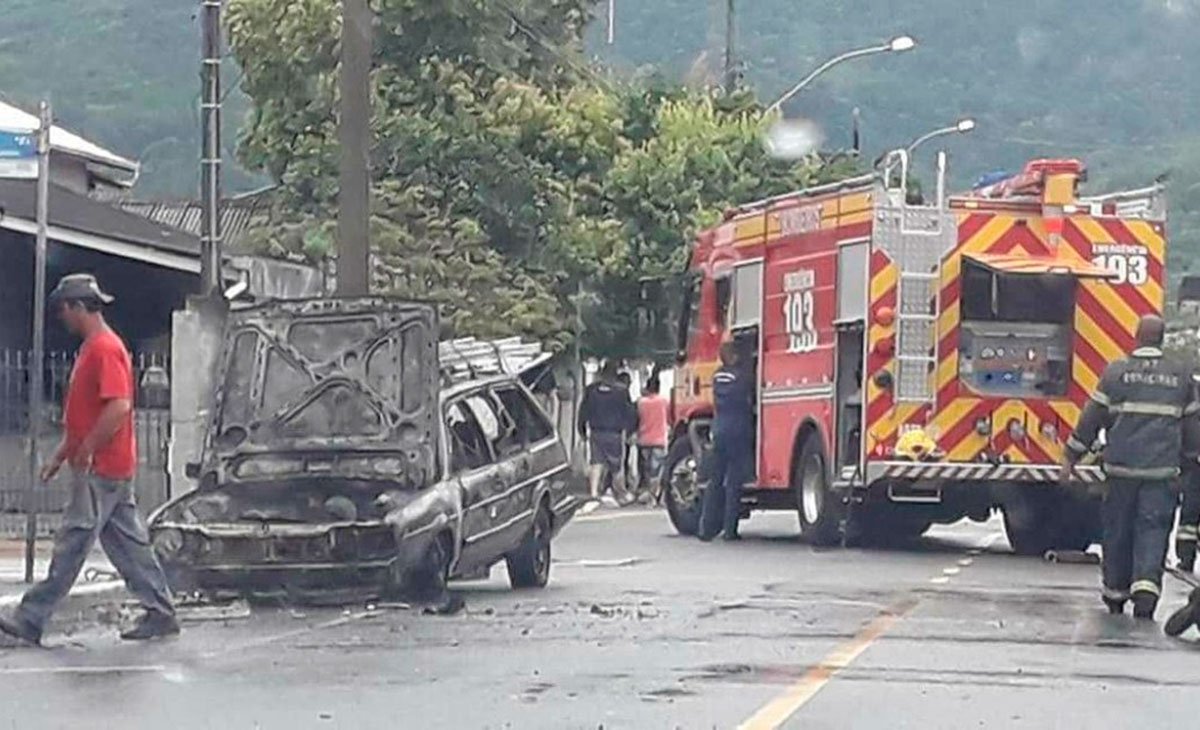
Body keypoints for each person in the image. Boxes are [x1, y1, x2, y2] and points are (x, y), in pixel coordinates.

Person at [0, 274, 179, 645]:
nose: (61, 317)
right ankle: (161, 611)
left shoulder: (104, 349)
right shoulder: (92, 348)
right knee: (128, 545)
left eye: (64, 309)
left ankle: (31, 618)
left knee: (73, 541)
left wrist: (87, 450)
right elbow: (84, 414)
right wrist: (60, 456)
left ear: (79, 306)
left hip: (101, 468)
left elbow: (118, 406)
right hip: (106, 466)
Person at [1061, 314, 1198, 620]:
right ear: (1161, 339)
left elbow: (1091, 419)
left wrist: (1070, 457)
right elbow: (1192, 430)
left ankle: (1115, 594)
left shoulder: (1116, 373)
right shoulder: (1181, 376)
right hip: (1161, 475)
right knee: (1153, 530)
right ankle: (1146, 589)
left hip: (1120, 472)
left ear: (1137, 337)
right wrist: (1190, 463)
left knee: (1117, 532)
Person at [699, 342, 755, 542]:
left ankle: (705, 529)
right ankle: (730, 530)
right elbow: (748, 399)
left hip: (719, 429)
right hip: (738, 431)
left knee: (714, 480)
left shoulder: (717, 376)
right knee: (733, 483)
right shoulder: (742, 377)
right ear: (733, 356)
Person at [578, 361, 637, 507]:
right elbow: (629, 413)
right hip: (615, 433)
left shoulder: (591, 390)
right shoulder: (621, 391)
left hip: (596, 432)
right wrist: (630, 431)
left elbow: (583, 411)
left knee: (596, 462)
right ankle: (620, 493)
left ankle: (593, 493)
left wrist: (582, 430)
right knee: (616, 465)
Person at [636, 377, 671, 504]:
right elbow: (670, 419)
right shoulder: (664, 402)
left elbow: (637, 419)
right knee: (657, 470)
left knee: (646, 470)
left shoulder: (641, 402)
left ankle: (649, 495)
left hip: (644, 440)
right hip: (659, 440)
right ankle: (654, 496)